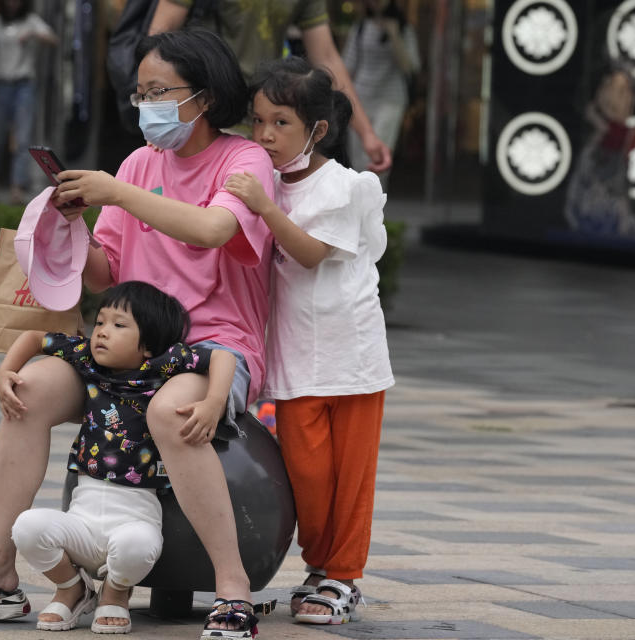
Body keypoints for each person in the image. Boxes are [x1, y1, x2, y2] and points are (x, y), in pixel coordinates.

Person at [0, 28, 276, 639]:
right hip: (122, 341)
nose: (147, 106)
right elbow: (105, 273)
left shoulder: (244, 161)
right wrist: (72, 225)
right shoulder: (139, 164)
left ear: (207, 97)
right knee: (26, 390)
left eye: (160, 92)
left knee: (172, 414)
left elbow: (214, 230)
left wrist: (119, 193)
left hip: (212, 345)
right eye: (141, 93)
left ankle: (232, 587)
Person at [223, 56, 394, 625]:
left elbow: (311, 253)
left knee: (349, 479)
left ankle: (341, 577)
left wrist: (264, 206)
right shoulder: (261, 182)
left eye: (281, 124)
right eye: (258, 122)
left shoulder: (344, 186)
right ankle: (319, 568)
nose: (265, 136)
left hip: (354, 356)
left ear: (316, 130)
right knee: (309, 477)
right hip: (294, 359)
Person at [1, 281, 235, 633]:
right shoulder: (86, 360)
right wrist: (6, 369)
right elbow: (36, 336)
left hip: (134, 520)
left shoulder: (162, 367)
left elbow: (222, 355)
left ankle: (116, 592)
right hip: (80, 520)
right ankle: (72, 588)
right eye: (101, 322)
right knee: (26, 528)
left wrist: (215, 401)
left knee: (138, 546)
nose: (102, 333)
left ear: (148, 345)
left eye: (119, 325)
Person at [147, 0, 394, 173]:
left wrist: (367, 134)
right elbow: (159, 36)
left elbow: (326, 56)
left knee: (256, 221)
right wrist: (160, 117)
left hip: (264, 114)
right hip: (207, 116)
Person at [0, 0, 57, 205]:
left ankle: (17, 185)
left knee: (23, 137)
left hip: (24, 84)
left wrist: (34, 34)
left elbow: (52, 39)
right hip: (1, 83)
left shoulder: (30, 21)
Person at [342, 0, 419, 186]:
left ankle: (375, 205)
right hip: (360, 99)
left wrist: (394, 35)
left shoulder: (403, 29)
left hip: (390, 100)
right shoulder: (360, 28)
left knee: (379, 156)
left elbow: (410, 67)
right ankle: (359, 206)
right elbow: (346, 67)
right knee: (358, 158)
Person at [563, 66, 635, 236]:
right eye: (611, 88)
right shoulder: (599, 126)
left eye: (623, 92)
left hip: (613, 185)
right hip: (592, 183)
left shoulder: (626, 131)